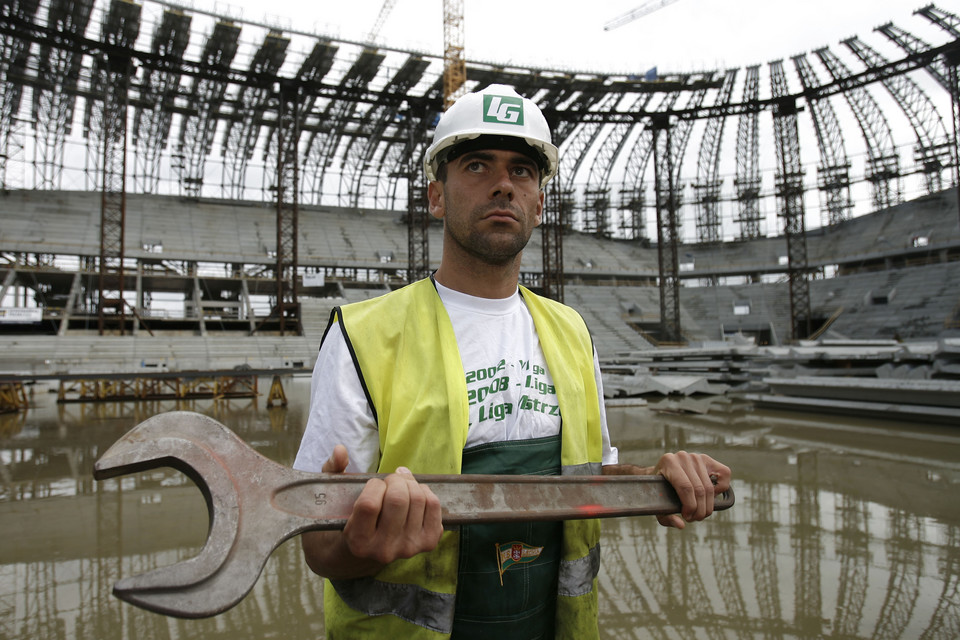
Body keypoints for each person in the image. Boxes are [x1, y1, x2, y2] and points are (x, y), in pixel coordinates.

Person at [294, 84, 731, 640]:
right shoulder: (362, 335)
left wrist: (651, 481)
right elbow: (317, 546)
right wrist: (357, 544)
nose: (504, 184)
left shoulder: (572, 332)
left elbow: (588, 480)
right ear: (436, 196)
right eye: (477, 165)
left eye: (523, 171)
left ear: (540, 203)